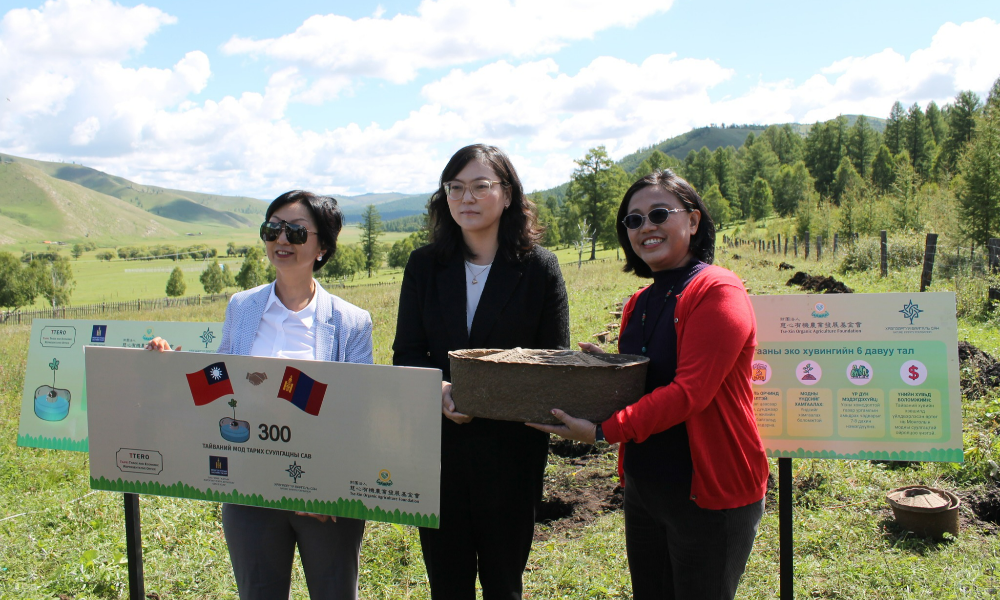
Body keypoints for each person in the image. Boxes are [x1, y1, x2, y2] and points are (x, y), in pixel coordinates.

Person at [529, 170, 769, 600]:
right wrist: (610, 372)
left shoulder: (718, 290)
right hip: (646, 485)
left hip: (708, 492)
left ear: (693, 221)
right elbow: (649, 379)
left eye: (659, 213)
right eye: (633, 221)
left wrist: (603, 431)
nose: (646, 227)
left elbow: (689, 392)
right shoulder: (639, 302)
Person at [146, 190, 373, 600]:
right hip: (248, 487)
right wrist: (171, 368)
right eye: (272, 229)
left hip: (325, 496)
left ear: (322, 247)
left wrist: (330, 487)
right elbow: (222, 380)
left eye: (296, 232)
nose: (281, 240)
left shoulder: (352, 322)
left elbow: (357, 412)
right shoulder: (242, 306)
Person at [392, 143, 570, 599]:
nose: (465, 198)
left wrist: (488, 398)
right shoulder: (425, 266)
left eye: (479, 186)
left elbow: (552, 363)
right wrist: (443, 390)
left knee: (503, 585)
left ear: (507, 194)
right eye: (455, 188)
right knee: (446, 586)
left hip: (511, 453)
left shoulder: (539, 269)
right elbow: (408, 353)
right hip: (437, 452)